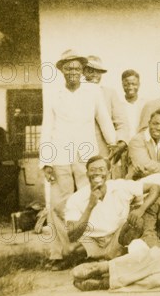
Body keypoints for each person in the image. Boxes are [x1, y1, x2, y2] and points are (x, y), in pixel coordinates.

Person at [40, 50, 116, 270]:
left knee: (88, 201)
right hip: (59, 155)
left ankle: (88, 251)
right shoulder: (54, 94)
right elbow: (47, 126)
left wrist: (114, 144)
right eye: (68, 68)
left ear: (83, 71)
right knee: (57, 205)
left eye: (77, 68)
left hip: (87, 157)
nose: (73, 72)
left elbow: (104, 119)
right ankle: (60, 254)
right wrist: (45, 161)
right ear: (62, 70)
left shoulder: (92, 92)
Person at [65, 155, 160, 260]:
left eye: (101, 169)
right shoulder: (76, 198)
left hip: (117, 237)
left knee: (137, 222)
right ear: (87, 174)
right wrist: (90, 206)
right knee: (70, 250)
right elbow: (72, 235)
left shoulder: (120, 186)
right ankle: (107, 257)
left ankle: (103, 258)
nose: (97, 173)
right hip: (93, 240)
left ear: (109, 173)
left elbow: (156, 187)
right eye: (92, 170)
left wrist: (141, 209)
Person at [83, 55, 131, 177]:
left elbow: (122, 123)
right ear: (83, 71)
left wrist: (120, 143)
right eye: (90, 70)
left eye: (98, 71)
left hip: (105, 151)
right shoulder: (76, 93)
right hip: (81, 152)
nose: (94, 74)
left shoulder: (109, 93)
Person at [127, 109, 160, 179]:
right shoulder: (137, 140)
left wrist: (150, 172)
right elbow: (143, 164)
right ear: (149, 123)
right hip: (138, 181)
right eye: (155, 123)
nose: (158, 128)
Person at [121, 69, 147, 136]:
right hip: (122, 144)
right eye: (127, 84)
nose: (130, 87)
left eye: (134, 84)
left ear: (139, 84)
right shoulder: (117, 104)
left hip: (141, 143)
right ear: (122, 85)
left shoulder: (145, 104)